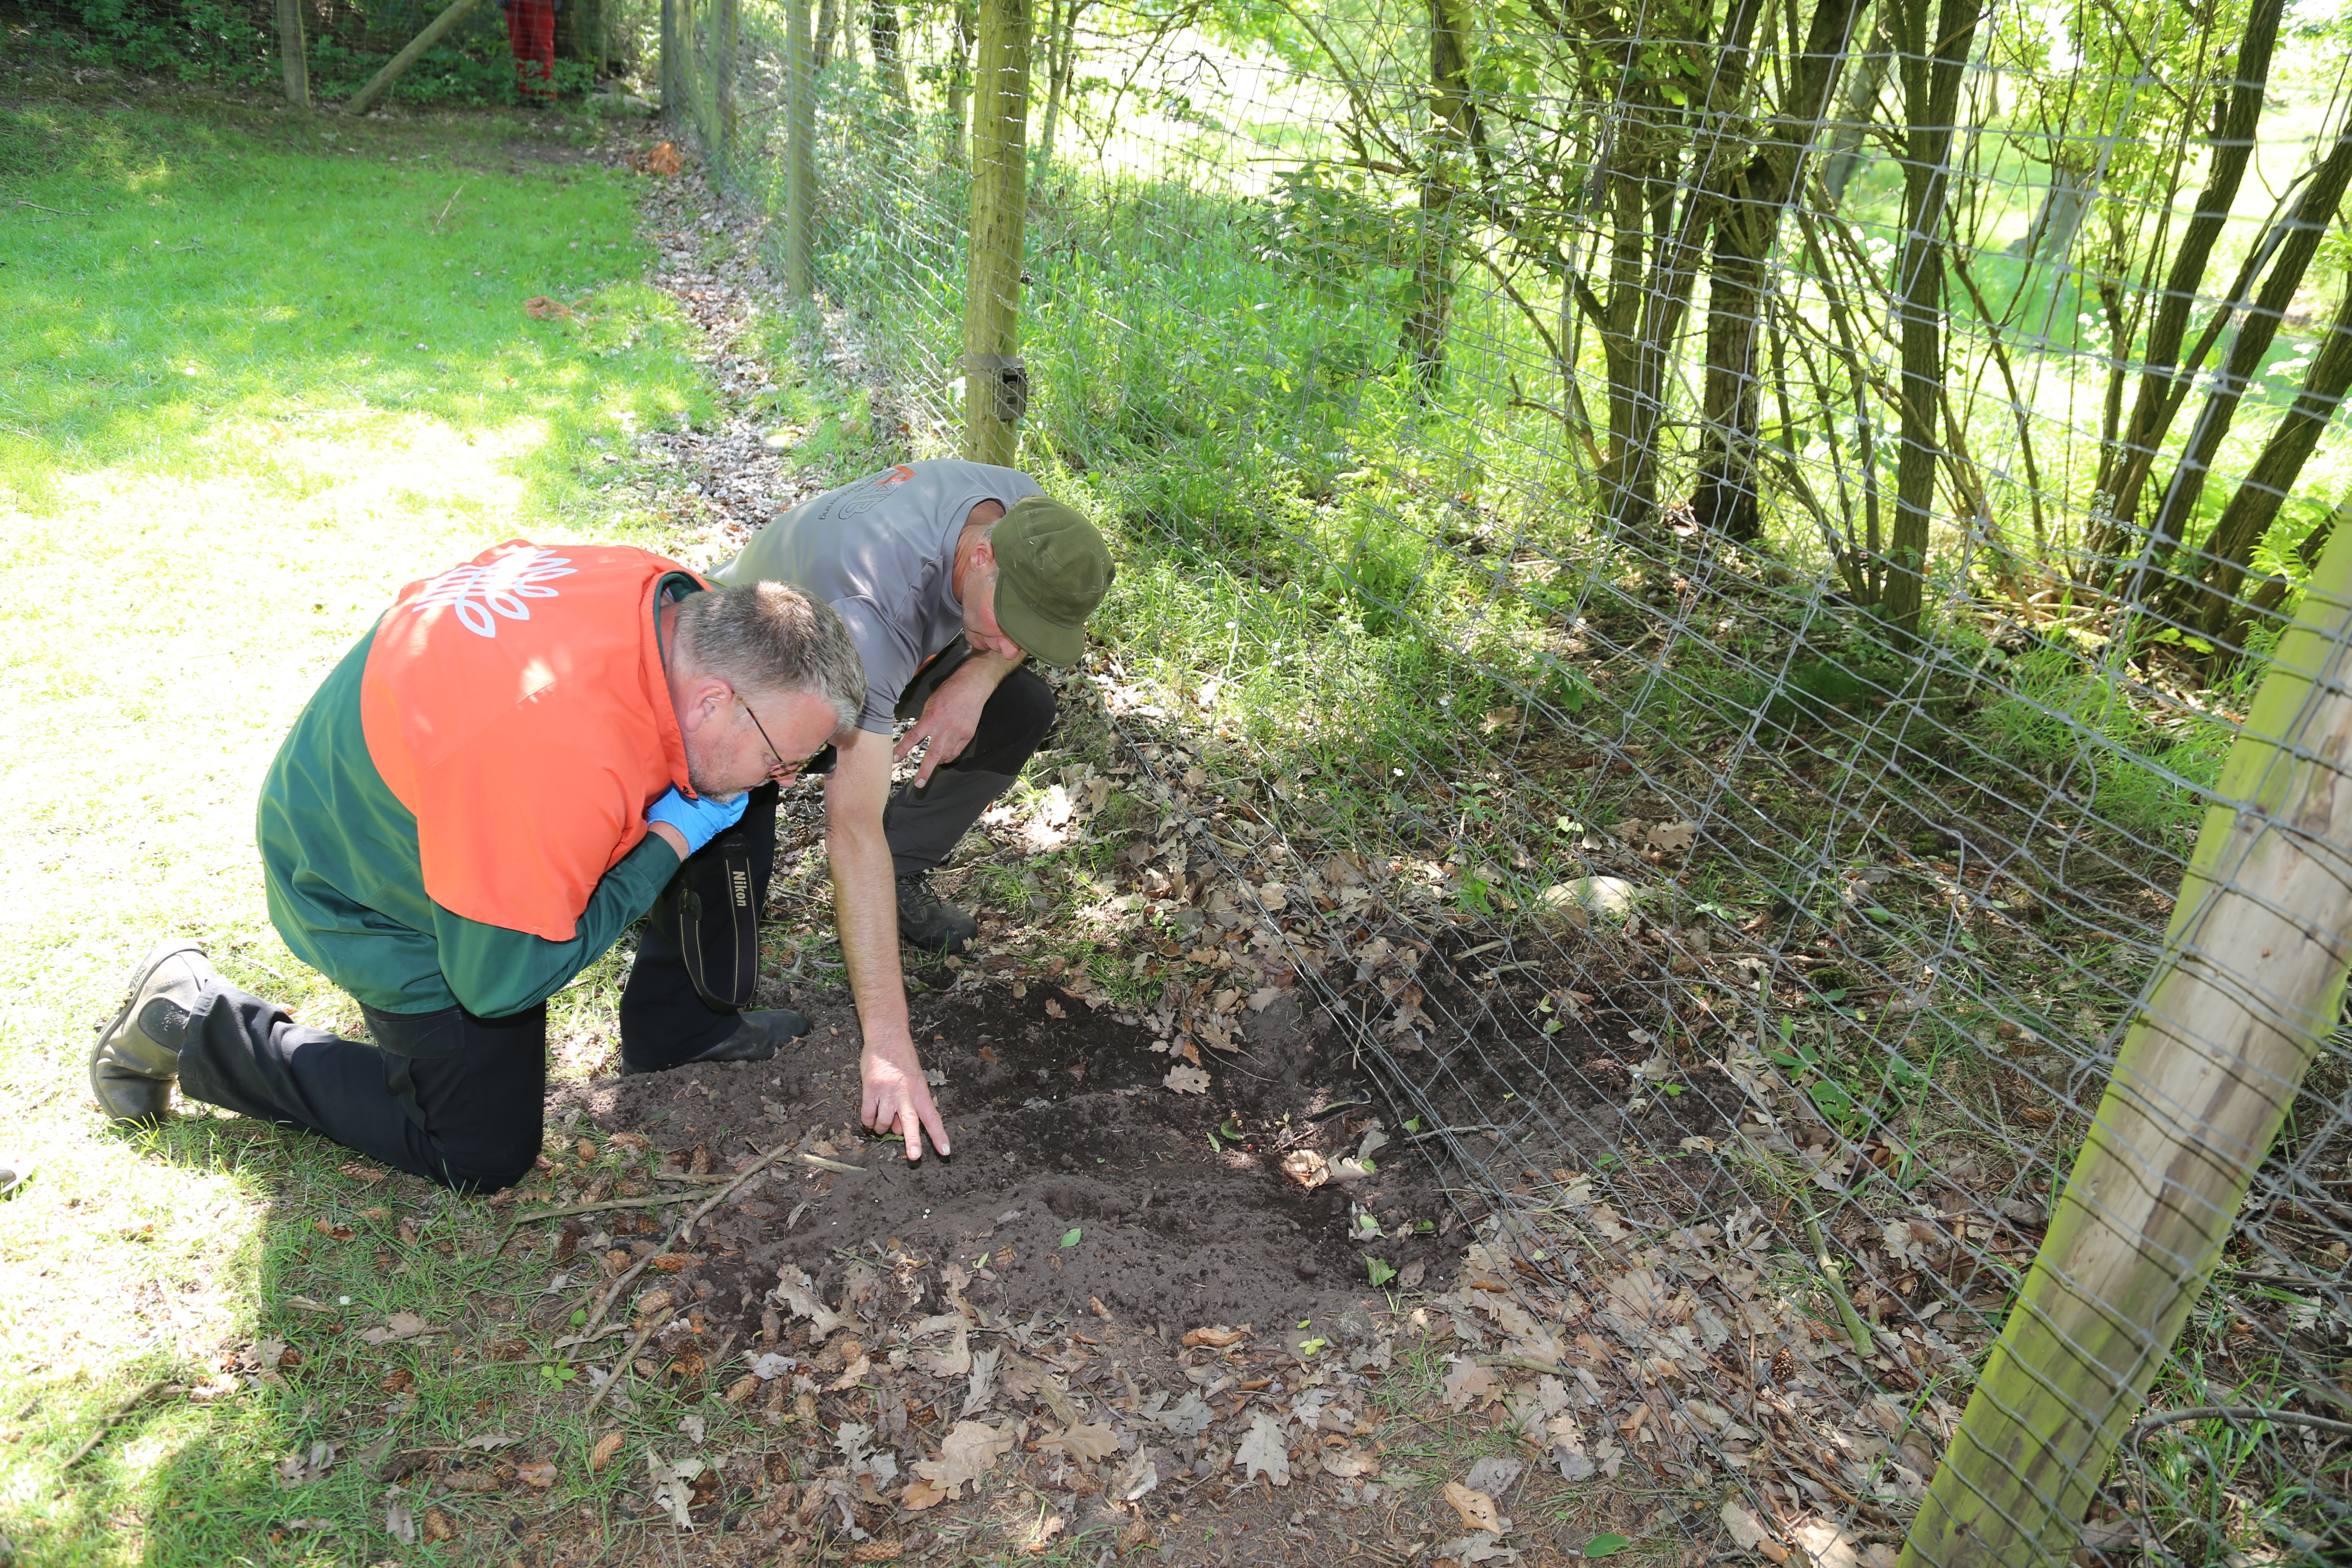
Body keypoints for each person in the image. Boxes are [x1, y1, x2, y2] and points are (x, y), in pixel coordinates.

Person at [88, 540, 866, 1191]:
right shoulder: (553, 766)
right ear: (713, 702)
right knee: (482, 1152)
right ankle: (192, 1021)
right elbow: (500, 985)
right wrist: (663, 843)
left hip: (437, 783)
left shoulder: (675, 602)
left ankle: (679, 1027)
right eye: (784, 755)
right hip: (367, 887)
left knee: (735, 798)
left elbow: (695, 754)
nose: (788, 777)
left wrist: (716, 792)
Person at [704, 460, 1115, 1161]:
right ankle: (687, 1011)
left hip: (901, 630)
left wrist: (980, 675)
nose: (1015, 645)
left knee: (1021, 710)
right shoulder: (871, 613)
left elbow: (1006, 642)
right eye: (1010, 624)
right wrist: (890, 1046)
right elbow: (851, 829)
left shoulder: (1028, 519)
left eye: (1032, 634)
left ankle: (905, 877)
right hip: (757, 657)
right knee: (734, 810)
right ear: (981, 556)